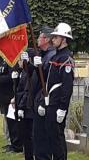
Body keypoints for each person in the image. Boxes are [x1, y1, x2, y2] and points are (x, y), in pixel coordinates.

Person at [43, 23, 74, 160]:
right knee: (51, 138)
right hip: (51, 103)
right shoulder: (56, 56)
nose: (53, 39)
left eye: (56, 37)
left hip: (57, 106)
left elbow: (67, 87)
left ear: (64, 39)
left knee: (58, 139)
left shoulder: (66, 58)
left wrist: (62, 108)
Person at [0, 45, 23, 153]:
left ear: (0, 53)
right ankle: (12, 143)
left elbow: (12, 77)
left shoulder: (7, 61)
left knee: (13, 122)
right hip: (2, 96)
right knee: (8, 121)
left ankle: (17, 146)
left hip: (9, 96)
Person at [32, 25, 57, 160]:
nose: (37, 39)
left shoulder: (51, 56)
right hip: (37, 99)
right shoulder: (42, 55)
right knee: (38, 137)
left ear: (46, 39)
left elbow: (47, 81)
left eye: (40, 36)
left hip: (45, 101)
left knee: (43, 138)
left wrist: (42, 101)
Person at [14, 50, 35, 160]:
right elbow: (19, 90)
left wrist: (21, 106)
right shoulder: (22, 72)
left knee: (29, 136)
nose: (19, 62)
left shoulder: (29, 73)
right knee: (24, 135)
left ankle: (29, 157)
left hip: (27, 108)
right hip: (22, 106)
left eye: (21, 59)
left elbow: (27, 91)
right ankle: (27, 156)